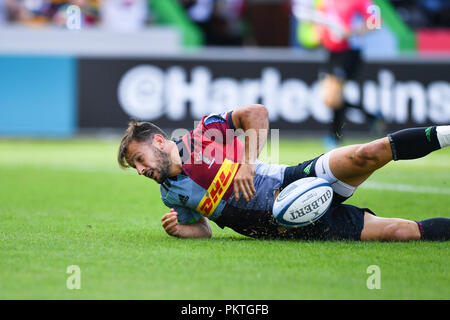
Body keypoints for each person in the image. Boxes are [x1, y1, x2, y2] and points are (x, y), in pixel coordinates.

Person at [117, 104, 450, 241]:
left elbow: (257, 113)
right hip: (289, 229)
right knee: (401, 232)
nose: (140, 170)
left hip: (296, 182)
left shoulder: (204, 132)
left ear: (159, 141)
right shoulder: (169, 194)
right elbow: (203, 230)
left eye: (139, 159)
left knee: (369, 153)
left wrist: (246, 163)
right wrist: (182, 231)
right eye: (135, 166)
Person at [316, 0, 384, 149]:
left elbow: (376, 21)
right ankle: (371, 116)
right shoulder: (327, 2)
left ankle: (334, 137)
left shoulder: (361, 1)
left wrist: (352, 32)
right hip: (332, 53)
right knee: (330, 99)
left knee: (334, 96)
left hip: (349, 52)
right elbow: (323, 21)